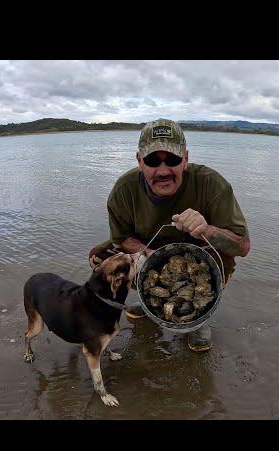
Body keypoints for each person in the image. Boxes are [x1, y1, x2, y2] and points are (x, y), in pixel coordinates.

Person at [89, 119, 249, 353]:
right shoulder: (124, 190)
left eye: (172, 160)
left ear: (185, 159)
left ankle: (199, 317)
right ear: (139, 161)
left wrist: (207, 230)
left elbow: (243, 246)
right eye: (153, 161)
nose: (163, 171)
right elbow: (121, 238)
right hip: (150, 246)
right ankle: (150, 300)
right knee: (100, 257)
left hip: (200, 253)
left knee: (221, 255)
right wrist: (153, 257)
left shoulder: (212, 184)